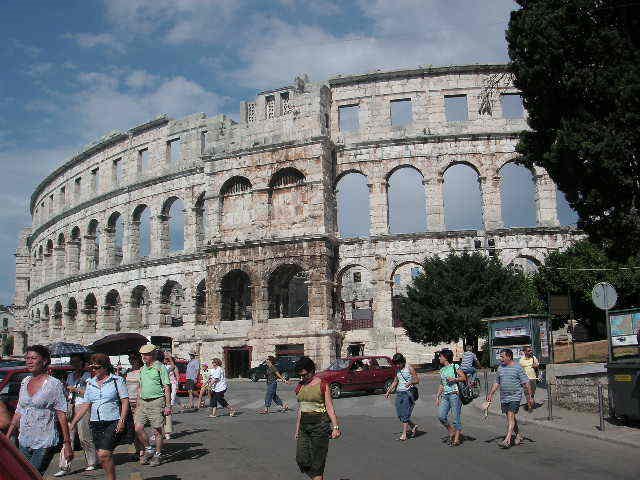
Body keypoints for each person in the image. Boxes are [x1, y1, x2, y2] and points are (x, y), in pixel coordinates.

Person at [6, 345, 73, 474]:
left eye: (34, 358)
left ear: (44, 361)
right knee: (22, 475)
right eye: (27, 358)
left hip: (44, 441)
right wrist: (8, 436)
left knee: (32, 474)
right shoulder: (25, 381)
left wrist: (67, 443)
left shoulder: (54, 384)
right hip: (25, 439)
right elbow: (19, 410)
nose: (29, 361)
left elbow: (61, 415)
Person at [69, 353, 129, 480]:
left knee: (104, 453)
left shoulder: (117, 380)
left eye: (97, 367)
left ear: (105, 367)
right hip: (96, 423)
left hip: (112, 420)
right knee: (103, 456)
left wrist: (122, 421)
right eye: (92, 367)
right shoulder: (90, 383)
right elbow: (86, 404)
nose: (94, 370)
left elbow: (124, 401)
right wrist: (74, 422)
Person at [294, 356, 341, 480]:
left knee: (317, 463)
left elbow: (330, 407)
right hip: (304, 426)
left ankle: (317, 476)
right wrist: (297, 429)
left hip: (320, 426)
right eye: (300, 375)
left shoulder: (323, 385)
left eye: (305, 375)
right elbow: (301, 408)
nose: (302, 378)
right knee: (301, 459)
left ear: (312, 371)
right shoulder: (300, 386)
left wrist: (335, 427)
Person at [54, 353, 97, 476]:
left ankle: (92, 461)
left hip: (83, 406)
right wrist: (65, 388)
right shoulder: (70, 376)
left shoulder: (88, 376)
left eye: (77, 361)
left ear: (83, 363)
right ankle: (64, 466)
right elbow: (68, 393)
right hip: (71, 406)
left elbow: (90, 394)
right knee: (68, 436)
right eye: (72, 362)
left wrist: (76, 389)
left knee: (84, 436)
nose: (74, 364)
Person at [486, 348, 534, 449]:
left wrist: (530, 397)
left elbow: (526, 382)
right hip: (504, 397)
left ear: (509, 356)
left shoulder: (518, 367)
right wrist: (491, 393)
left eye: (502, 357)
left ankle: (507, 439)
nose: (501, 359)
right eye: (501, 357)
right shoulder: (500, 368)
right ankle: (518, 435)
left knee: (511, 416)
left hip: (515, 396)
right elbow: (496, 382)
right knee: (510, 418)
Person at [135, 344, 172, 467]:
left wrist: (168, 406)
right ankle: (148, 449)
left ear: (153, 355)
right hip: (143, 402)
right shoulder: (142, 369)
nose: (143, 357)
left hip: (157, 401)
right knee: (138, 428)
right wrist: (138, 404)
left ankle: (158, 454)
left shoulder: (160, 368)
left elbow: (167, 387)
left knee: (157, 430)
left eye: (146, 355)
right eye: (142, 355)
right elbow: (140, 387)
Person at [385, 353, 419, 441]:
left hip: (408, 393)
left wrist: (410, 382)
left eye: (398, 363)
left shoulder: (409, 368)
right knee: (400, 414)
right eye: (395, 364)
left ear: (402, 361)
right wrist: (388, 391)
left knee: (405, 413)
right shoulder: (398, 370)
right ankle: (413, 426)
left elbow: (417, 380)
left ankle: (404, 434)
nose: (397, 365)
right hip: (399, 393)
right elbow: (395, 381)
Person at [436, 349, 467, 446]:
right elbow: (442, 383)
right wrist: (437, 396)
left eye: (440, 356)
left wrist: (454, 379)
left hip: (455, 395)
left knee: (455, 418)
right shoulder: (442, 370)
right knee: (441, 416)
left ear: (445, 357)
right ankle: (451, 430)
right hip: (445, 396)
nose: (439, 358)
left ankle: (456, 439)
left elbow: (463, 377)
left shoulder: (455, 366)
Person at [125, 352, 148, 458]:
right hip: (129, 402)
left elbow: (144, 387)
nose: (132, 361)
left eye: (134, 359)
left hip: (139, 402)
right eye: (130, 359)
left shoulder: (143, 371)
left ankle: (144, 448)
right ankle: (138, 449)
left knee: (139, 428)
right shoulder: (128, 372)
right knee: (132, 428)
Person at [519, 346, 539, 410]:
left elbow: (537, 364)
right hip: (525, 379)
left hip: (533, 378)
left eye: (531, 350)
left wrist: (535, 366)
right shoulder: (521, 360)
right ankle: (529, 404)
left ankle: (531, 399)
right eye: (529, 351)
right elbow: (519, 370)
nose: (531, 352)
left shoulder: (533, 358)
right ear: (525, 352)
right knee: (527, 392)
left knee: (532, 392)